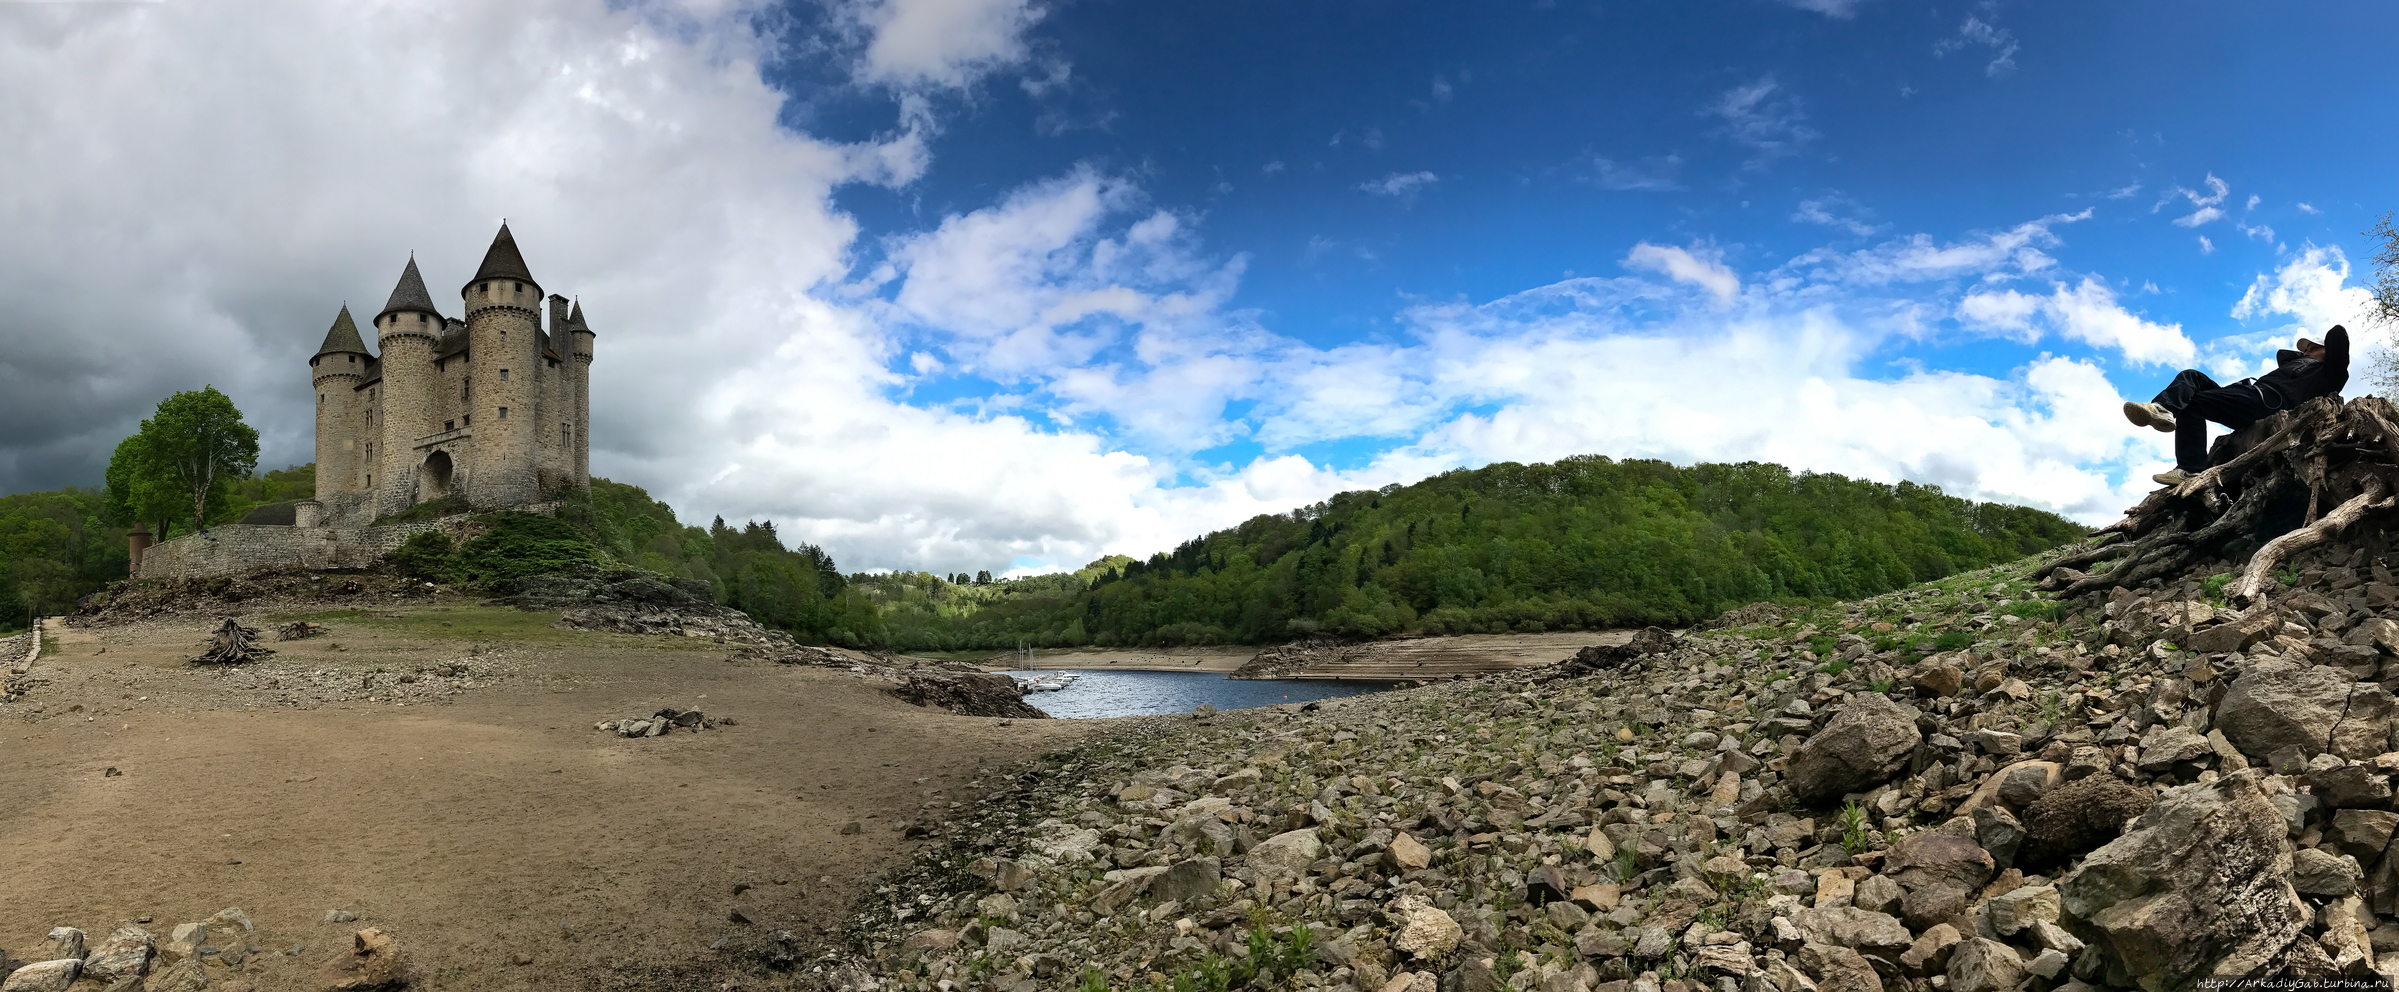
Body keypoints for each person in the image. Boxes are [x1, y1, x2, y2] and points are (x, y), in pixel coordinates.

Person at [2123, 324, 2349, 486]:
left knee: (2192, 404)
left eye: (2312, 348)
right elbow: (2284, 356)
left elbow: (2337, 333)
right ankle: (2162, 409)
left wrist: (2327, 354)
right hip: (2246, 394)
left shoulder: (2330, 374)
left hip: (2264, 402)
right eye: (2305, 349)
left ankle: (2190, 469)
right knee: (2192, 376)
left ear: (2329, 352)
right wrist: (2307, 354)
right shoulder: (2298, 364)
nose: (2305, 352)